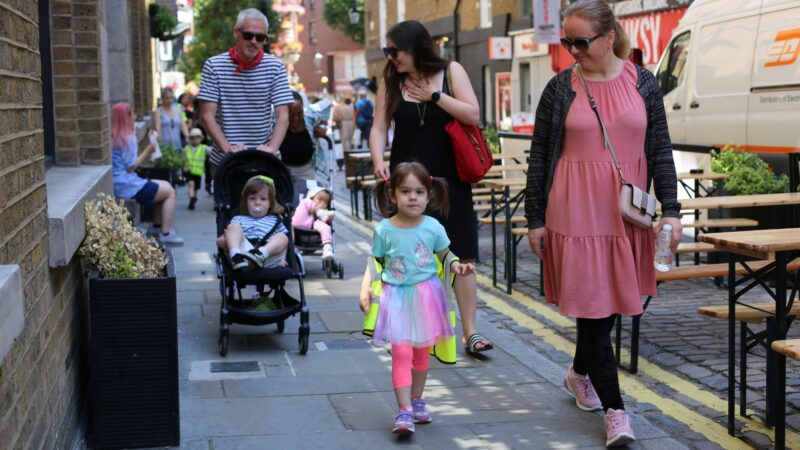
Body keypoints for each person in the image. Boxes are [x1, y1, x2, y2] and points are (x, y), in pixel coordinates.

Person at [523, 1, 682, 447]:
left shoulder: (642, 82)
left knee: (607, 306)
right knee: (593, 311)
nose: (572, 49)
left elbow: (660, 151)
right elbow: (539, 158)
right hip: (574, 212)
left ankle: (578, 374)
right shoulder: (559, 88)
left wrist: (671, 210)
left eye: (581, 41)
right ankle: (616, 413)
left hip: (628, 213)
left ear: (609, 38)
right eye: (566, 41)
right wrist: (535, 219)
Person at [370, 20, 493, 356]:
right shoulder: (392, 80)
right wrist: (377, 158)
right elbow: (379, 126)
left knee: (462, 255)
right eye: (387, 50)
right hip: (408, 184)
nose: (390, 56)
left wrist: (434, 96)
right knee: (413, 255)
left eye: (394, 50)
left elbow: (473, 114)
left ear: (415, 47)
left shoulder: (451, 71)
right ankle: (424, 329)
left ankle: (470, 332)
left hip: (449, 181)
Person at [358, 162, 474, 435]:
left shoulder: (433, 227)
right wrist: (365, 288)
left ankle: (417, 399)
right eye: (406, 191)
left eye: (419, 192)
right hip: (395, 298)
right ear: (393, 195)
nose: (413, 197)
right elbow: (374, 262)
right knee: (401, 352)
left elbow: (446, 254)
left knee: (422, 354)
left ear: (428, 195)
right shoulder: (385, 229)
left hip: (427, 297)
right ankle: (404, 410)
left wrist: (457, 267)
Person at [197, 8, 294, 178]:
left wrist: (271, 149)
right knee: (230, 205)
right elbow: (206, 116)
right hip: (225, 162)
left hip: (264, 160)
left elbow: (283, 116)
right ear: (236, 32)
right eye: (248, 35)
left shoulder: (275, 67)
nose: (254, 41)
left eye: (260, 37)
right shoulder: (214, 66)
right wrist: (228, 148)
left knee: (264, 204)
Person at [110, 102, 183, 245]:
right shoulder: (127, 137)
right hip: (127, 186)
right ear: (128, 116)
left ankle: (156, 228)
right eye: (133, 114)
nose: (135, 117)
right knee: (170, 191)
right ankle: (166, 234)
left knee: (164, 186)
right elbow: (132, 167)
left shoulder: (112, 136)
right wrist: (148, 150)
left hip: (118, 183)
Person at [216, 175, 289, 271]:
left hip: (268, 255)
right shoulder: (238, 219)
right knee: (234, 227)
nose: (257, 202)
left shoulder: (276, 219)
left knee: (283, 237)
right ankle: (235, 256)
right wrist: (226, 241)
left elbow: (284, 244)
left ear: (270, 203)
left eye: (263, 199)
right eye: (252, 198)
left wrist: (283, 258)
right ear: (246, 202)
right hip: (244, 254)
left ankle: (259, 254)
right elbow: (220, 241)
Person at [278, 91, 330, 181]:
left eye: (299, 113)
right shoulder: (277, 122)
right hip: (283, 174)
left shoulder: (309, 118)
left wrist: (322, 127)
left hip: (307, 173)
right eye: (292, 114)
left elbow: (325, 111)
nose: (296, 118)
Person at [292, 186, 335, 261]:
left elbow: (325, 218)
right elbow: (315, 209)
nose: (322, 203)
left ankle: (327, 248)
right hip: (296, 225)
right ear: (312, 197)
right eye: (320, 199)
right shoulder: (306, 202)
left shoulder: (320, 213)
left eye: (325, 202)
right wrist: (321, 213)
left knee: (325, 228)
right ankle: (290, 248)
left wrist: (329, 217)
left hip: (311, 224)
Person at [153, 87, 188, 151]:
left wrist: (187, 136)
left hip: (177, 145)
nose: (169, 100)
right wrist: (158, 141)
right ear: (162, 98)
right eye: (167, 98)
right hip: (164, 146)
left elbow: (183, 125)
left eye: (171, 98)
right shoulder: (159, 111)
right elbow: (157, 128)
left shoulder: (178, 111)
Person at [183, 128, 207, 210]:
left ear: (201, 139)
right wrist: (184, 165)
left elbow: (212, 151)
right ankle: (192, 198)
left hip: (198, 172)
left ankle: (192, 200)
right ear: (190, 139)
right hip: (189, 171)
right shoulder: (186, 148)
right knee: (191, 184)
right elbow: (182, 158)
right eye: (193, 138)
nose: (195, 140)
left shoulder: (204, 148)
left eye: (197, 138)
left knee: (195, 188)